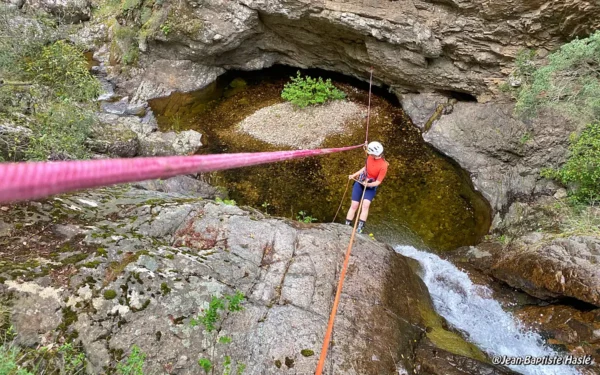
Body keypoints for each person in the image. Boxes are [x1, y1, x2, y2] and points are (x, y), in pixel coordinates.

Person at [345, 141, 388, 234]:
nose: (369, 154)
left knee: (365, 205)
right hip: (361, 182)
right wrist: (354, 175)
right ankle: (347, 225)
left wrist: (368, 185)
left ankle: (360, 227)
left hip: (371, 186)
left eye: (370, 153)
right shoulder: (370, 157)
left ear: (375, 154)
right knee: (354, 205)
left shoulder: (384, 165)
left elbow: (378, 182)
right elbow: (365, 168)